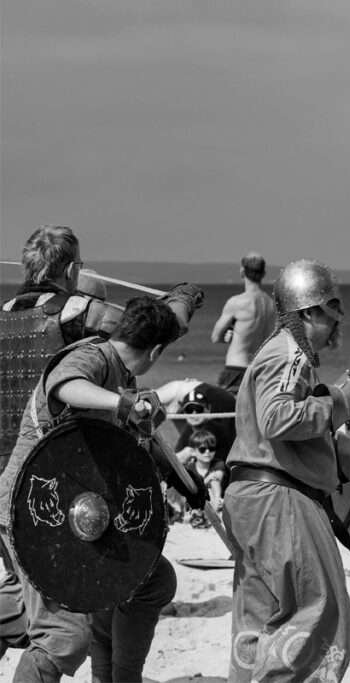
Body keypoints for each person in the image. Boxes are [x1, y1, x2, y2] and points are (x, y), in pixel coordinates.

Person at [0, 225, 203, 664]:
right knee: (59, 628)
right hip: (51, 482)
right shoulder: (79, 313)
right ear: (73, 269)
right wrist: (183, 299)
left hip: (24, 474)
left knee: (36, 598)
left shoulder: (0, 317)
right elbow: (143, 330)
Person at [222, 259, 350, 682]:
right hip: (280, 504)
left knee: (259, 628)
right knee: (319, 618)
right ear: (310, 311)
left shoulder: (284, 354)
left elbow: (289, 443)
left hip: (254, 500)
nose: (338, 320)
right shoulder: (288, 353)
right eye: (332, 309)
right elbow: (278, 419)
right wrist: (343, 399)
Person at [211, 252, 277, 394]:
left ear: (242, 271)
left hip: (236, 369)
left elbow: (215, 337)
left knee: (225, 414)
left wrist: (227, 337)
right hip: (261, 371)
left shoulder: (237, 302)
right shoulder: (271, 305)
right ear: (263, 273)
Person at [157, 378, 237, 465]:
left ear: (208, 409)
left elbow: (178, 461)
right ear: (184, 412)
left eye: (198, 409)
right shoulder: (191, 429)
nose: (194, 413)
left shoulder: (214, 430)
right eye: (189, 409)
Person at [177, 429, 227, 526]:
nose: (207, 452)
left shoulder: (218, 463)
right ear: (194, 451)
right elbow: (190, 489)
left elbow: (217, 479)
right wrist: (207, 479)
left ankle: (216, 506)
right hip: (197, 502)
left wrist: (216, 498)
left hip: (214, 499)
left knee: (212, 483)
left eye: (211, 448)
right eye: (202, 449)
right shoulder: (190, 467)